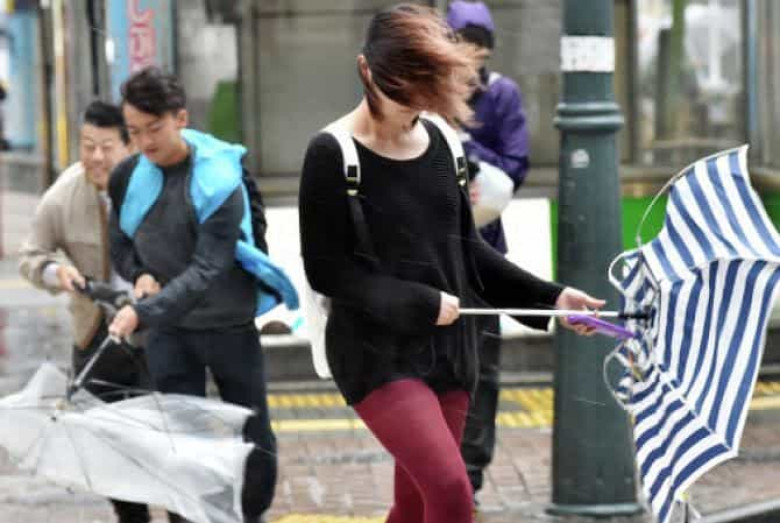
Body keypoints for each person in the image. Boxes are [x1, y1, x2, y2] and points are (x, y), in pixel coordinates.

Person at [299, 5, 601, 523]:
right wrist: (415, 301)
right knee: (450, 490)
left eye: (423, 95)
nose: (409, 110)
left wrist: (552, 298)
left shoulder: (441, 139)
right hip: (376, 355)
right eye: (399, 94)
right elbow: (328, 270)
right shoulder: (332, 152)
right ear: (366, 69)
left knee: (415, 504)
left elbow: (469, 252)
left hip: (451, 353)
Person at [106, 67, 278, 523]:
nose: (144, 142)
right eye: (134, 132)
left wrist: (143, 313)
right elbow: (119, 245)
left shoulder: (219, 180)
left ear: (180, 118)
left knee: (252, 431)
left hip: (228, 323)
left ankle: (249, 513)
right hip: (168, 331)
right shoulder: (127, 177)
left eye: (154, 128)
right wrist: (140, 274)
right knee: (179, 439)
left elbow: (208, 268)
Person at [19, 101, 152, 523]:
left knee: (161, 440)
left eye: (106, 146)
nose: (96, 157)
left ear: (129, 145)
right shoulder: (64, 194)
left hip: (155, 331)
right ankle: (132, 517)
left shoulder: (155, 185)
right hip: (96, 335)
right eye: (87, 145)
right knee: (105, 442)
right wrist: (56, 272)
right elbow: (31, 255)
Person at [446, 0, 531, 501]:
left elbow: (516, 165)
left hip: (484, 250)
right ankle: (435, 469)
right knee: (429, 368)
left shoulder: (501, 95)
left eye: (480, 46)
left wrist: (469, 150)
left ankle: (469, 476)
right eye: (463, 44)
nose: (472, 56)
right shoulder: (425, 92)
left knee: (482, 368)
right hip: (428, 255)